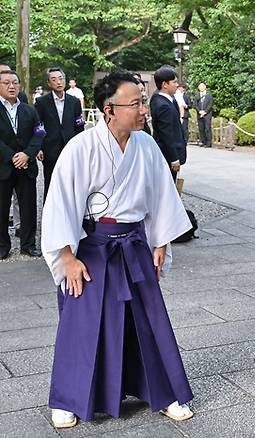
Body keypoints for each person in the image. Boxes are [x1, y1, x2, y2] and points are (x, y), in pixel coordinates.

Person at [41, 71, 194, 428]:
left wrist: (161, 241)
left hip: (135, 243)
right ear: (109, 109)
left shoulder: (147, 146)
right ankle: (69, 397)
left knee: (148, 319)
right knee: (83, 322)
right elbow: (60, 204)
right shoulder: (81, 148)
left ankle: (163, 391)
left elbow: (161, 197)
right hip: (92, 248)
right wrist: (66, 257)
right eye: (136, 103)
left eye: (143, 101)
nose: (144, 110)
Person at [0, 69, 43, 259]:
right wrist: (12, 156)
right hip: (3, 166)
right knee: (1, 208)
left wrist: (27, 154)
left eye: (15, 83)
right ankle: (2, 246)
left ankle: (28, 244)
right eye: (6, 83)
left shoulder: (29, 109)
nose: (11, 86)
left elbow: (40, 133)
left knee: (28, 208)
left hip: (27, 166)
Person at [35, 68, 85, 198]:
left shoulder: (74, 101)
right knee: (50, 182)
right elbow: (38, 125)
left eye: (61, 78)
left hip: (70, 146)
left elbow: (79, 124)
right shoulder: (42, 102)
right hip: (50, 147)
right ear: (49, 83)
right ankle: (49, 215)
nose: (58, 82)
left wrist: (81, 146)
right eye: (54, 79)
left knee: (71, 182)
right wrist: (39, 147)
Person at [150, 67, 186, 180]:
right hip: (167, 155)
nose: (176, 85)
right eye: (174, 82)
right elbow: (166, 134)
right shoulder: (162, 105)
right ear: (165, 84)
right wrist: (174, 158)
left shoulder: (168, 99)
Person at [194, 82, 213, 147]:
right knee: (201, 128)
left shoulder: (209, 95)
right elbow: (195, 105)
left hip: (207, 114)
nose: (201, 88)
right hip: (199, 114)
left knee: (207, 128)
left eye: (202, 86)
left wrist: (205, 112)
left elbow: (210, 105)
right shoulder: (197, 96)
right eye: (200, 86)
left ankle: (208, 143)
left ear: (205, 87)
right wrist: (199, 111)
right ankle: (203, 141)